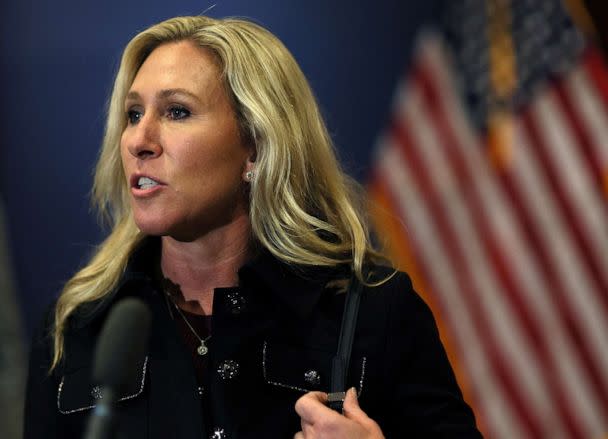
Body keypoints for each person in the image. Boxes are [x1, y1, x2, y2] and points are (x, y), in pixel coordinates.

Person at [23, 15, 483, 439]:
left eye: (177, 112)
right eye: (133, 114)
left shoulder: (372, 312)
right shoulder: (75, 328)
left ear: (257, 147)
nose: (139, 141)